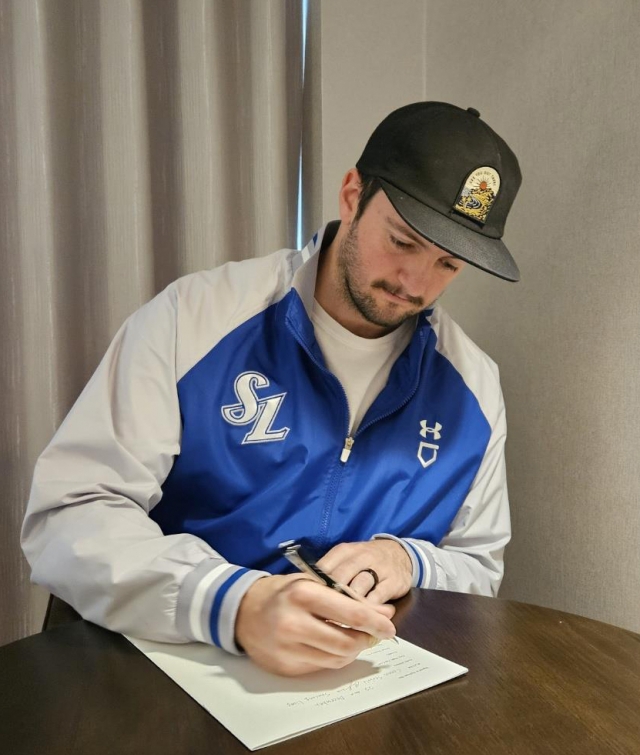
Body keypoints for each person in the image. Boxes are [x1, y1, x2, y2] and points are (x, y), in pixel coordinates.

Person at [21, 101, 522, 676]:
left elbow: (479, 568)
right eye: (403, 241)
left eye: (448, 264)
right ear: (353, 194)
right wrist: (232, 603)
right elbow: (70, 512)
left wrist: (406, 559)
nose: (416, 283)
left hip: (348, 690)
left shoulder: (474, 387)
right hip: (168, 669)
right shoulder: (196, 319)